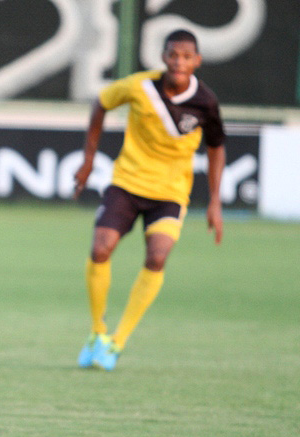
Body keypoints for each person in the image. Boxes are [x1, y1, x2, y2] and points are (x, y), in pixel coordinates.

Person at [73, 29, 225, 371]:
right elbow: (101, 103)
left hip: (170, 193)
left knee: (157, 256)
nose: (179, 61)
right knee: (100, 249)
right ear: (163, 57)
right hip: (127, 183)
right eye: (173, 54)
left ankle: (117, 342)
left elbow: (216, 146)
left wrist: (215, 201)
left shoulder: (206, 102)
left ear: (197, 61)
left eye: (187, 56)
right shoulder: (139, 86)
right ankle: (97, 332)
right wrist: (88, 160)